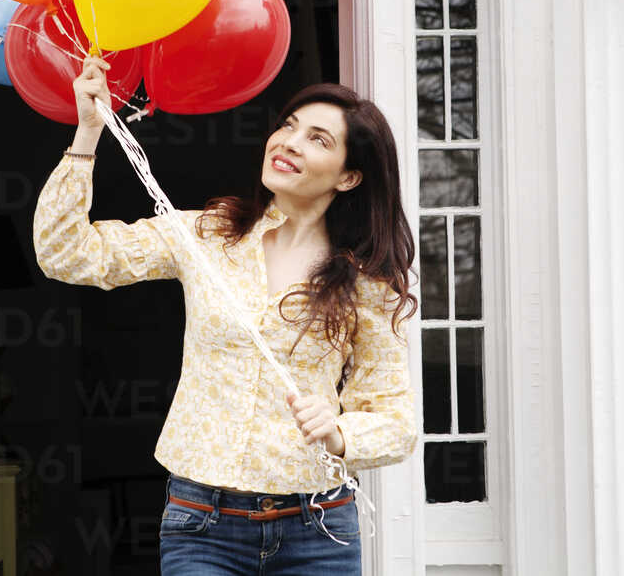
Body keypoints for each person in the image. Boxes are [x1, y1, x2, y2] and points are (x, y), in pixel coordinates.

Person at [33, 57, 419, 574]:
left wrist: (340, 433)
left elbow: (396, 421)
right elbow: (66, 252)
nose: (289, 142)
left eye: (318, 139)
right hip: (203, 525)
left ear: (349, 177)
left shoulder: (366, 283)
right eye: (288, 126)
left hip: (318, 530)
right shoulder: (210, 236)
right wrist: (87, 131)